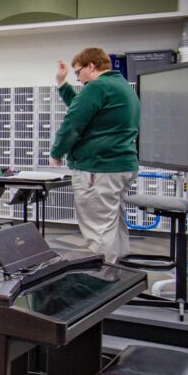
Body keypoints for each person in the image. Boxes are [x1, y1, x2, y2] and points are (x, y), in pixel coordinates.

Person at [50, 47, 141, 262]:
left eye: (78, 72)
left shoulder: (97, 87)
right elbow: (81, 107)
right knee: (113, 225)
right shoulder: (120, 86)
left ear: (91, 66)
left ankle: (103, 283)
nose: (79, 79)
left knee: (98, 230)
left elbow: (73, 122)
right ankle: (119, 276)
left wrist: (56, 153)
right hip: (121, 166)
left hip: (98, 168)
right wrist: (62, 84)